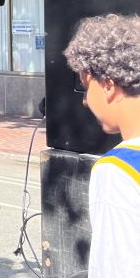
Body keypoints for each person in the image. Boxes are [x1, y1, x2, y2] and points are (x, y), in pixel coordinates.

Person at [63, 14, 140, 278]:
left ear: (108, 85)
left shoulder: (117, 170)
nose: (85, 101)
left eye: (86, 87)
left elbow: (119, 267)